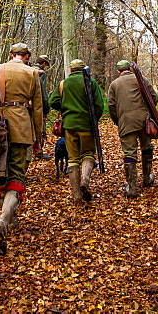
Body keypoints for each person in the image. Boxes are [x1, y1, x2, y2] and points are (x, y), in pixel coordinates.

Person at [0, 42, 43, 255]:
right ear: (26, 57)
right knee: (16, 177)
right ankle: (3, 222)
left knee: (1, 174)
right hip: (21, 128)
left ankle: (10, 219)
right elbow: (37, 108)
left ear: (11, 55)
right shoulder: (33, 73)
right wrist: (37, 137)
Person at [49, 59, 103, 206]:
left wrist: (65, 107)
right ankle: (85, 181)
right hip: (86, 125)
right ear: (83, 69)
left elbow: (52, 101)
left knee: (72, 159)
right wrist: (93, 119)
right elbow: (99, 105)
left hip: (69, 125)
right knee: (88, 154)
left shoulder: (63, 83)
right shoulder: (91, 82)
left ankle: (76, 196)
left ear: (71, 70)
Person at [106, 60, 157, 198]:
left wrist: (118, 120)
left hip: (126, 123)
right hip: (144, 122)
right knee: (147, 148)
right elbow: (154, 97)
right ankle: (147, 179)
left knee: (129, 154)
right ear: (130, 69)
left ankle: (132, 188)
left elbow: (111, 106)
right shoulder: (142, 79)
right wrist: (148, 112)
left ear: (118, 72)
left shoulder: (114, 84)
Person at [31, 55, 53, 160]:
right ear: (43, 63)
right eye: (46, 64)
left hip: (26, 107)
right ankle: (38, 153)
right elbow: (42, 91)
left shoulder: (28, 69)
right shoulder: (41, 73)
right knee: (40, 130)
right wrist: (46, 107)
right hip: (38, 106)